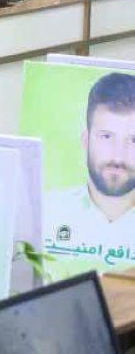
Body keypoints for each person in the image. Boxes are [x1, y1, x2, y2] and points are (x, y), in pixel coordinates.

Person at [44, 72, 135, 254]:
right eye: (106, 137)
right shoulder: (46, 211)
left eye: (133, 141)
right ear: (85, 141)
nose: (118, 157)